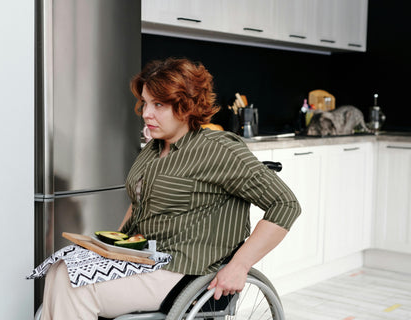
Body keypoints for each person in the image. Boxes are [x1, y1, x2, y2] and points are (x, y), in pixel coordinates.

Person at [41, 57, 301, 319]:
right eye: (145, 102)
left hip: (182, 269)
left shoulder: (218, 149)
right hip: (142, 259)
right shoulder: (152, 149)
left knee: (74, 284)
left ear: (186, 106)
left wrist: (240, 264)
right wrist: (113, 247)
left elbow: (285, 205)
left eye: (159, 104)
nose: (145, 113)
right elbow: (139, 203)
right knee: (60, 269)